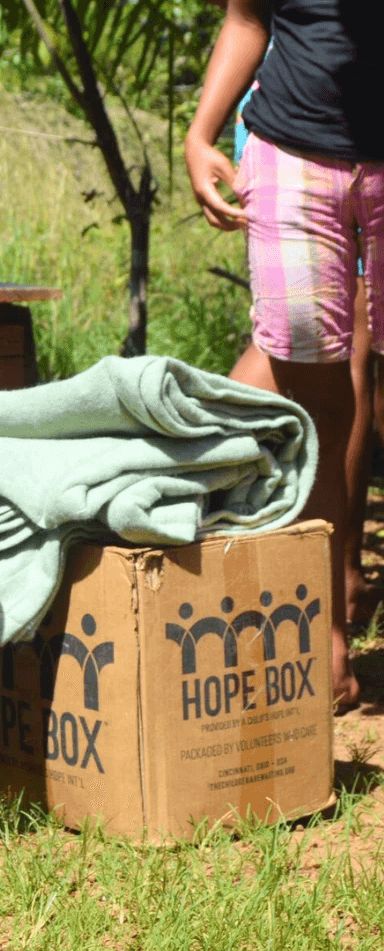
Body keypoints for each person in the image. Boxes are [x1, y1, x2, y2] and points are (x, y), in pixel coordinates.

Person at [185, 0, 384, 711]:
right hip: (292, 158)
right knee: (320, 405)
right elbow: (248, 16)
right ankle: (326, 637)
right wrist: (201, 131)